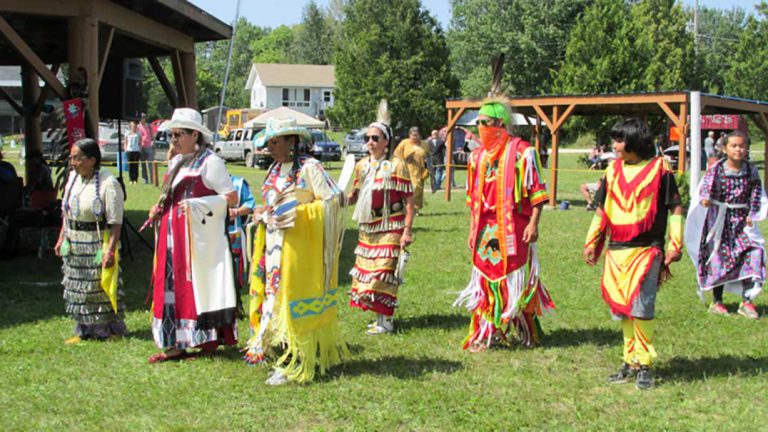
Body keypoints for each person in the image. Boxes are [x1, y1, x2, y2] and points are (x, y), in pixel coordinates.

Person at [243, 117, 347, 385]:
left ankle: (296, 360)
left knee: (293, 298)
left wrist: (299, 215)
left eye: (275, 142)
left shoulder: (310, 167)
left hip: (300, 248)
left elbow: (334, 201)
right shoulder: (275, 169)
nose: (270, 147)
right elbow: (270, 203)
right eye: (268, 143)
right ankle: (283, 352)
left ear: (292, 141)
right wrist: (261, 211)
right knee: (274, 296)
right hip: (273, 246)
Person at [583, 118, 683, 390]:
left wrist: (675, 244)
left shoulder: (660, 170)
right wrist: (592, 241)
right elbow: (602, 209)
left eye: (619, 140)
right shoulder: (612, 171)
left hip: (647, 248)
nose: (614, 145)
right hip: (617, 249)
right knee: (623, 309)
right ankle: (630, 361)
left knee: (642, 306)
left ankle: (645, 364)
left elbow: (674, 206)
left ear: (634, 142)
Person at [454, 100, 555, 352]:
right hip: (485, 229)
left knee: (515, 279)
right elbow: (473, 200)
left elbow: (537, 192)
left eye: (485, 123)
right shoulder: (477, 157)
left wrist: (533, 223)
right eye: (478, 123)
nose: (480, 128)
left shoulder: (522, 152)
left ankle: (523, 328)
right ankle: (488, 332)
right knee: (486, 280)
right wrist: (472, 229)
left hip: (514, 227)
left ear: (500, 123)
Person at [147, 108, 239, 363]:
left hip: (197, 240)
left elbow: (231, 198)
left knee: (195, 286)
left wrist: (198, 205)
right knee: (171, 284)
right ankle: (174, 344)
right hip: (171, 236)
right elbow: (170, 196)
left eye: (178, 134)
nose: (173, 140)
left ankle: (203, 341)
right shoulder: (177, 162)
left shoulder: (211, 162)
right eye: (171, 135)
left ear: (195, 135)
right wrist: (158, 207)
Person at [348, 100, 415, 335]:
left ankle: (385, 321)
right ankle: (380, 318)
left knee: (384, 272)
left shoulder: (397, 166)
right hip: (368, 227)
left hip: (391, 224)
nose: (370, 142)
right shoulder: (362, 166)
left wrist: (407, 230)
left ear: (386, 141)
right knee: (367, 274)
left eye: (375, 138)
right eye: (367, 138)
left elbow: (409, 200)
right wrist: (335, 199)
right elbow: (354, 196)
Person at [684, 131, 765, 319]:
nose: (738, 149)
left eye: (742, 146)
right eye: (734, 146)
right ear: (725, 148)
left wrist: (753, 213)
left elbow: (756, 192)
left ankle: (747, 301)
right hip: (719, 222)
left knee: (754, 253)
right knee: (719, 258)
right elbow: (706, 188)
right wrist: (705, 199)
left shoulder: (751, 170)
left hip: (742, 222)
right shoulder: (717, 169)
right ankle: (717, 301)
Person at [54, 138, 126, 343]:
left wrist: (110, 250)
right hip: (74, 241)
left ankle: (108, 330)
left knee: (98, 287)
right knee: (78, 286)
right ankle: (83, 329)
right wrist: (61, 237)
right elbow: (66, 213)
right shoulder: (73, 179)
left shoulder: (108, 183)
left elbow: (115, 222)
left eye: (77, 158)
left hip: (97, 242)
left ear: (92, 160)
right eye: (71, 158)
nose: (73, 163)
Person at [227, 174, 256, 312]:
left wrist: (236, 211)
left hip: (233, 233)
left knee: (234, 270)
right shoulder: (207, 182)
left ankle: (235, 303)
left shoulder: (238, 184)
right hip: (211, 234)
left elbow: (250, 205)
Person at [394, 126, 428, 212]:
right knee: (408, 188)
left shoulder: (424, 144)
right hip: (406, 170)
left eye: (417, 135)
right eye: (413, 135)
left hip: (419, 170)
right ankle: (406, 207)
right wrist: (403, 161)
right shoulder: (404, 143)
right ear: (409, 135)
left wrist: (427, 166)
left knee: (418, 189)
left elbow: (428, 156)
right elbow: (396, 154)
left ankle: (415, 209)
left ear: (420, 135)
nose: (415, 137)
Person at [138, 113, 154, 184]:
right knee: (143, 164)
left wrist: (153, 142)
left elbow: (153, 136)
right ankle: (145, 179)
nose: (142, 119)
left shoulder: (149, 126)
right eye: (141, 118)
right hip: (141, 147)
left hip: (149, 147)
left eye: (143, 118)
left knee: (150, 164)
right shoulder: (138, 127)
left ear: (145, 118)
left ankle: (152, 179)